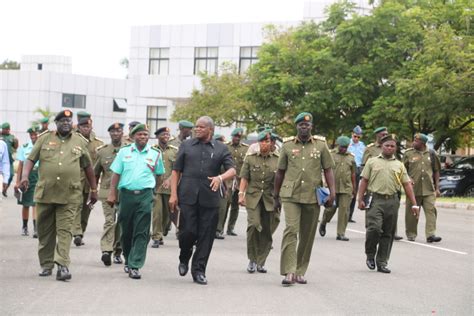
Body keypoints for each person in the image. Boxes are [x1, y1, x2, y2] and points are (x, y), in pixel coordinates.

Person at [19, 109, 98, 281]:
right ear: (56, 123)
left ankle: (62, 265)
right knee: (45, 231)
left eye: (68, 122)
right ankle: (46, 264)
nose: (66, 124)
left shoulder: (79, 141)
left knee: (65, 231)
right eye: (62, 121)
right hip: (45, 194)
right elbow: (30, 159)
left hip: (69, 195)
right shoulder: (44, 138)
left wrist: (93, 189)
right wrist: (24, 176)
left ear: (72, 124)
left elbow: (88, 167)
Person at [169, 116, 236, 285]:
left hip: (210, 199)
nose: (196, 129)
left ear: (210, 130)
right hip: (188, 197)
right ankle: (184, 257)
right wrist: (173, 194)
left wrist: (220, 178)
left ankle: (199, 270)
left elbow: (232, 170)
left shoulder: (221, 148)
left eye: (201, 127)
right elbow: (176, 171)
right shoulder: (186, 146)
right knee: (187, 232)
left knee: (206, 237)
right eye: (196, 127)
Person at [273, 112, 335, 286]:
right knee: (291, 230)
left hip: (312, 195)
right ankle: (289, 271)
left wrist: (332, 192)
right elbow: (280, 172)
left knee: (307, 235)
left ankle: (300, 271)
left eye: (307, 125)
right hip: (291, 195)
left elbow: (329, 169)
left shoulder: (321, 146)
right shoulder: (286, 146)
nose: (304, 127)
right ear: (297, 127)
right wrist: (275, 196)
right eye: (301, 124)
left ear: (311, 127)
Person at [107, 124, 165, 279]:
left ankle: (135, 264)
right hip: (126, 195)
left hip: (145, 195)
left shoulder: (155, 154)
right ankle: (128, 257)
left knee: (142, 231)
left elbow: (159, 174)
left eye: (145, 134)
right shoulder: (124, 152)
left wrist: (154, 192)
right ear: (133, 137)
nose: (143, 137)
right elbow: (116, 175)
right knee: (126, 230)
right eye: (140, 134)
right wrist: (112, 193)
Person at [358, 134, 419, 274]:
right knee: (374, 228)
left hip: (392, 201)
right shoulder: (372, 162)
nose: (390, 148)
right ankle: (370, 254)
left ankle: (382, 262)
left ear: (395, 148)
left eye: (392, 146)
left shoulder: (399, 165)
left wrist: (414, 204)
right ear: (381, 147)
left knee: (388, 233)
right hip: (375, 200)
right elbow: (364, 181)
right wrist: (360, 199)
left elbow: (407, 185)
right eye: (387, 145)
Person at [239, 131, 279, 273]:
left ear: (272, 143)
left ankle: (261, 261)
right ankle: (252, 259)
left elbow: (281, 180)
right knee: (254, 225)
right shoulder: (250, 158)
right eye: (261, 141)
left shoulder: (278, 159)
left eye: (267, 141)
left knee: (267, 231)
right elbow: (244, 177)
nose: (263, 144)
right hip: (253, 197)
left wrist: (279, 198)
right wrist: (241, 194)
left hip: (270, 198)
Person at [403, 133, 442, 243]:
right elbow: (402, 169)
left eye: (416, 141)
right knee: (411, 214)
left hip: (429, 189)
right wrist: (408, 178)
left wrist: (437, 188)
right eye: (414, 140)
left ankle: (431, 234)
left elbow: (436, 171)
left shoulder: (432, 154)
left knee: (431, 211)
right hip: (413, 190)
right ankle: (411, 234)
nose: (413, 142)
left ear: (423, 143)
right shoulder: (408, 154)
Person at [95, 123, 124, 266]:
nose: (116, 133)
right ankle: (106, 250)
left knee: (121, 222)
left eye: (118, 131)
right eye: (113, 131)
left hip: (125, 192)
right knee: (110, 220)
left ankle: (118, 251)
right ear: (110, 134)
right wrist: (93, 192)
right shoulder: (102, 151)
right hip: (107, 192)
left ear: (122, 133)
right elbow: (95, 174)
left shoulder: (129, 150)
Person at [72, 117, 104, 246]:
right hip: (75, 180)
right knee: (76, 206)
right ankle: (76, 232)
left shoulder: (98, 144)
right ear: (78, 127)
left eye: (88, 127)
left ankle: (81, 232)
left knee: (87, 208)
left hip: (90, 182)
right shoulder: (72, 140)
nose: (86, 129)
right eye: (83, 126)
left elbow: (99, 164)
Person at [319, 136, 356, 241]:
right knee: (330, 209)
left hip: (346, 187)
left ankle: (341, 233)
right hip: (333, 187)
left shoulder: (351, 157)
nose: (343, 149)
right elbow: (325, 170)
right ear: (338, 145)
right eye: (342, 147)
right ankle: (324, 222)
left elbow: (353, 174)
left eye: (345, 147)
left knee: (344, 211)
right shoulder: (331, 155)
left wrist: (354, 188)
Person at [218, 127, 248, 237]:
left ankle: (230, 228)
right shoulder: (225, 147)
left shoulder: (245, 149)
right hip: (228, 180)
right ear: (232, 137)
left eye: (239, 137)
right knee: (224, 205)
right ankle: (219, 229)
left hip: (239, 181)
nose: (237, 138)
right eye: (235, 136)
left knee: (236, 205)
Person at [151, 127, 178, 248]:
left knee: (167, 215)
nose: (166, 136)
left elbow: (177, 170)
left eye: (168, 134)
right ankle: (156, 237)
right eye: (163, 134)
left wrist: (169, 180)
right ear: (157, 136)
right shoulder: (151, 150)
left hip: (169, 188)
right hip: (155, 187)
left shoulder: (174, 151)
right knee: (157, 213)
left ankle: (163, 231)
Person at [14, 126, 40, 237]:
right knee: (25, 204)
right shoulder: (24, 147)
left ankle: (36, 228)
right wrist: (17, 182)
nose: (33, 136)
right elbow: (20, 165)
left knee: (36, 203)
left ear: (39, 134)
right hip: (26, 176)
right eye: (31, 135)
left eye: (35, 134)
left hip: (39, 175)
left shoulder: (43, 146)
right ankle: (24, 227)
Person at [347, 125, 365, 223]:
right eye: (355, 136)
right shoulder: (347, 144)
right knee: (344, 191)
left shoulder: (362, 146)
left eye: (358, 137)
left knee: (354, 192)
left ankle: (349, 215)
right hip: (347, 169)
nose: (356, 138)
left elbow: (364, 158)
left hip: (357, 169)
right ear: (352, 135)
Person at [1, 122, 19, 196]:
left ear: (8, 129)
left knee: (11, 175)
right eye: (2, 129)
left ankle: (5, 189)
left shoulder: (12, 137)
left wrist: (16, 142)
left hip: (9, 161)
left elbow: (15, 147)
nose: (2, 130)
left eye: (4, 129)